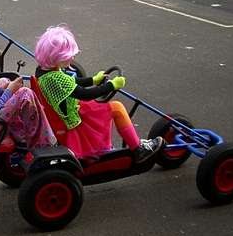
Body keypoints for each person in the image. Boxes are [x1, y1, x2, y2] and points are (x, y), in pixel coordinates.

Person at [34, 25, 164, 162]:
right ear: (54, 57)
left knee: (104, 108)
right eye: (67, 56)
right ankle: (138, 149)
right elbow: (84, 94)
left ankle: (108, 146)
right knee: (117, 108)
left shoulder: (45, 71)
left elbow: (72, 82)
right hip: (74, 118)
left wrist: (93, 80)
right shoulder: (55, 78)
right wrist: (111, 85)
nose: (71, 58)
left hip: (70, 110)